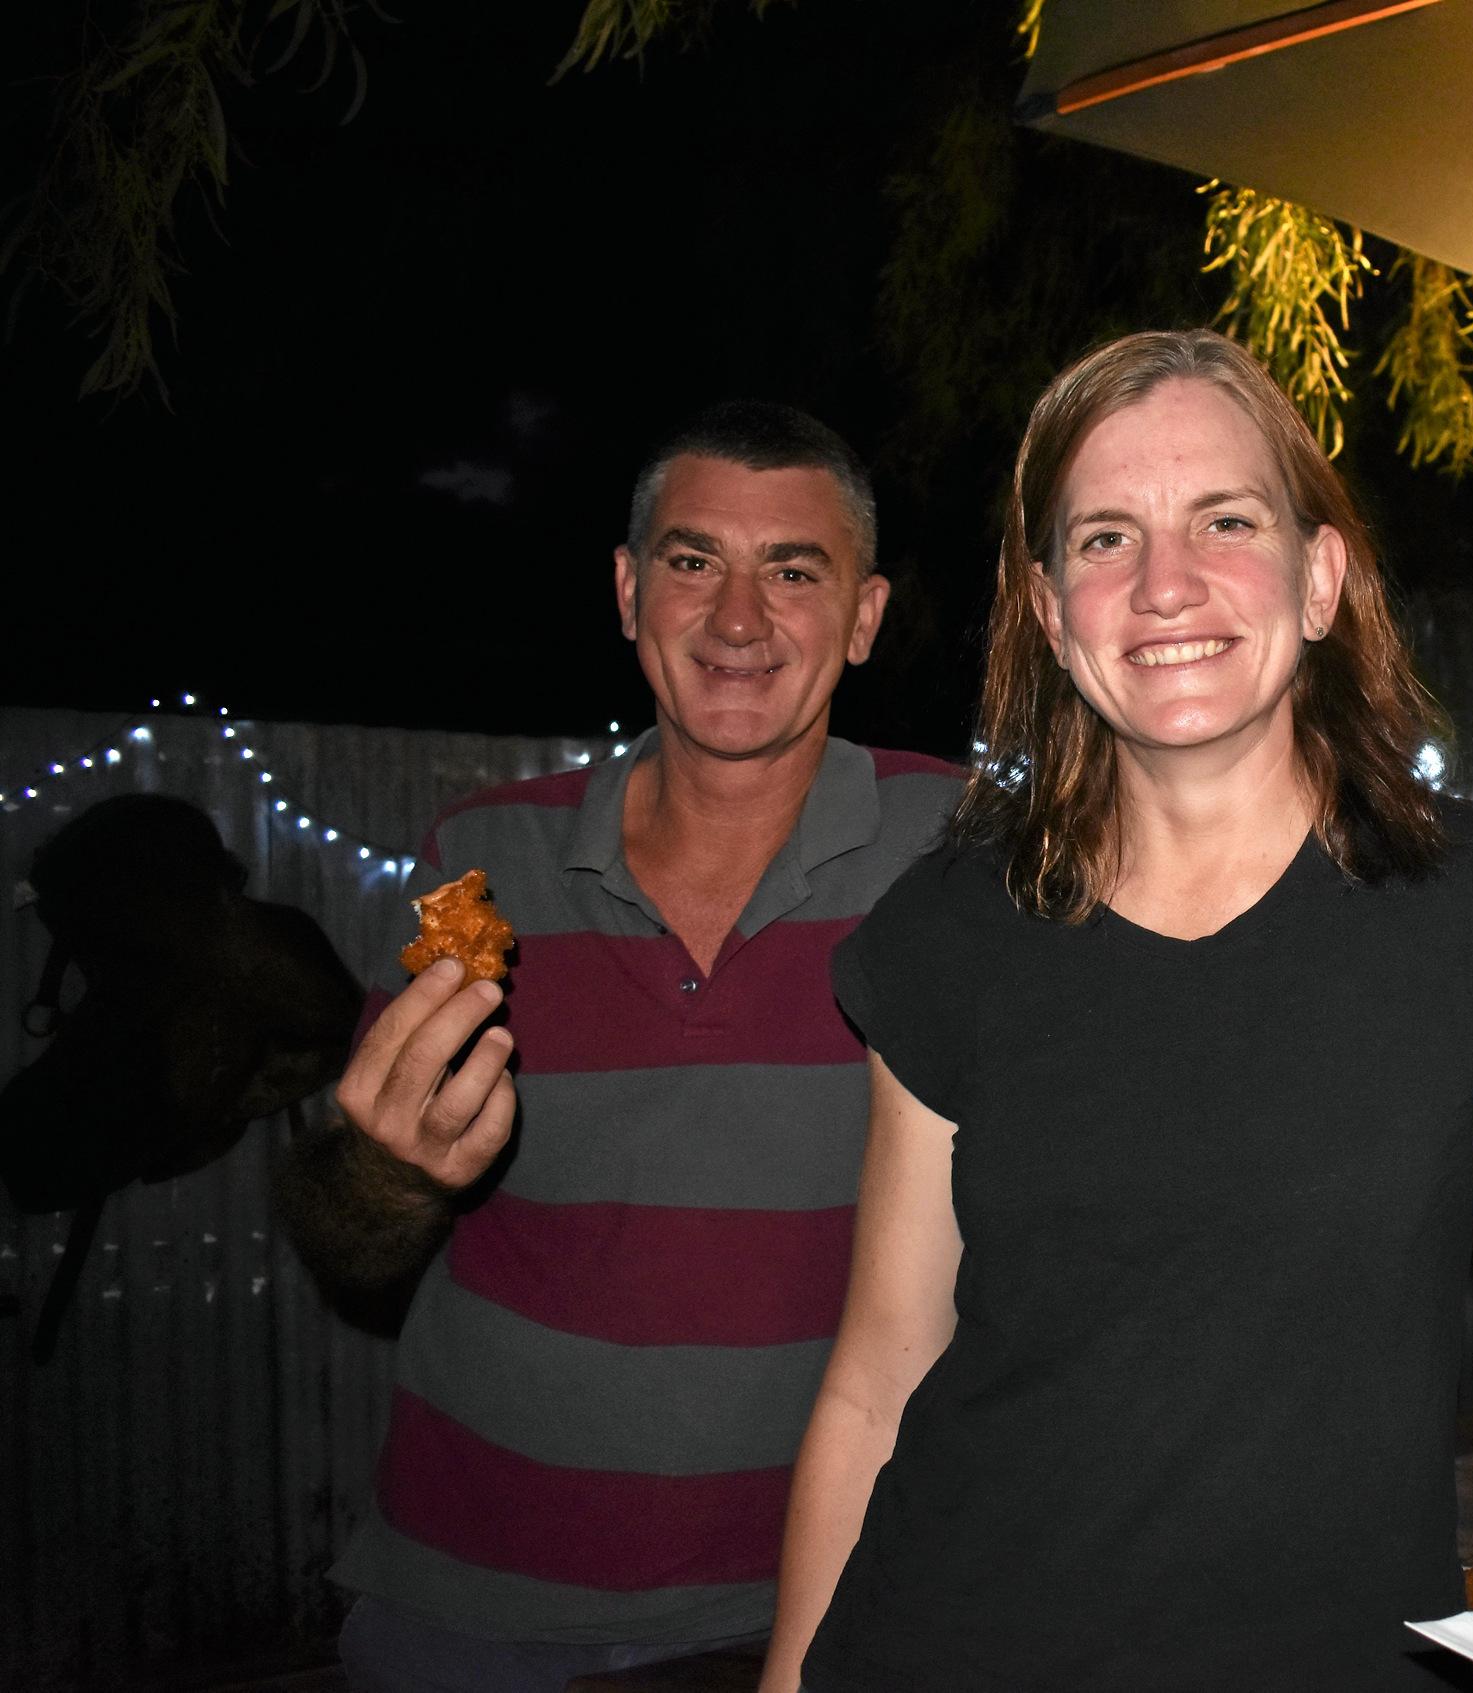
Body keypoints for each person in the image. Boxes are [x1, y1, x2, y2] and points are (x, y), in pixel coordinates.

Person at [756, 329, 1473, 1693]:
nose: (1164, 583)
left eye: (1224, 519)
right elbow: (881, 1366)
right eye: (1103, 538)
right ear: (1047, 609)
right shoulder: (949, 932)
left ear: (1319, 576)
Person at [279, 402, 963, 1692]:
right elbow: (345, 1248)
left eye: (795, 572)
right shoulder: (488, 863)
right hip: (476, 1615)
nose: (740, 619)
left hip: (841, 1608)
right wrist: (390, 1166)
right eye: (696, 560)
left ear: (865, 618)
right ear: (628, 588)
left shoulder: (963, 856)